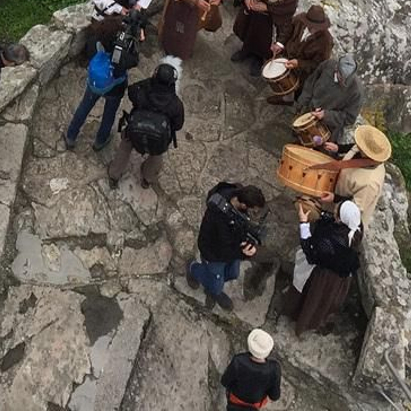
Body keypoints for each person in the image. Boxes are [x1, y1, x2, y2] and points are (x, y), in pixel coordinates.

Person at [187, 181, 266, 310]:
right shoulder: (219, 217)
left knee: (233, 273)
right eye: (253, 211)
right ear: (243, 205)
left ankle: (213, 282)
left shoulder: (235, 195)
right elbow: (224, 250)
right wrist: (244, 253)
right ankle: (194, 269)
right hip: (213, 252)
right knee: (216, 284)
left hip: (229, 246)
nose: (253, 215)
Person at [108, 62, 185, 188]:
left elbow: (131, 91)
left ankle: (114, 175)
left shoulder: (142, 93)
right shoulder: (175, 105)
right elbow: (178, 125)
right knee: (157, 156)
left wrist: (149, 82)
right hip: (157, 139)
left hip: (135, 132)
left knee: (124, 148)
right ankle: (147, 179)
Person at [292, 198, 362, 334]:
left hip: (325, 276)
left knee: (314, 298)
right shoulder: (356, 228)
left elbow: (310, 253)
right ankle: (316, 320)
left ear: (341, 219)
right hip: (341, 276)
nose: (334, 210)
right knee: (326, 301)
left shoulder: (331, 242)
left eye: (336, 211)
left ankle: (303, 322)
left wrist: (304, 224)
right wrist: (321, 212)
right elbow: (331, 221)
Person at [64, 44, 131, 152]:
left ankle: (71, 137)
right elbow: (133, 61)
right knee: (109, 114)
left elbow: (90, 54)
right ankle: (100, 141)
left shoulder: (97, 38)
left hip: (96, 82)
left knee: (84, 107)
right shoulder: (125, 45)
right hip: (115, 86)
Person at [320, 124, 391, 224]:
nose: (358, 145)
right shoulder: (364, 150)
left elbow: (355, 208)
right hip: (335, 193)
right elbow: (354, 148)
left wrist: (335, 198)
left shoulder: (370, 184)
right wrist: (338, 148)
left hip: (341, 218)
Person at [290, 55, 363, 152]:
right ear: (336, 68)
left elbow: (349, 118)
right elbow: (311, 82)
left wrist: (326, 115)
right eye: (341, 77)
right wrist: (301, 103)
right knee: (299, 137)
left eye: (346, 79)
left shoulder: (356, 91)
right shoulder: (328, 64)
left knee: (318, 151)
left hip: (328, 126)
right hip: (310, 110)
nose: (343, 82)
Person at [267, 4, 333, 105]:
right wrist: (280, 44)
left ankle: (291, 100)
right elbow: (287, 30)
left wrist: (299, 63)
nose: (313, 28)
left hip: (303, 71)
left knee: (297, 88)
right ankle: (286, 98)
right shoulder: (299, 20)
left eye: (316, 27)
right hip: (287, 57)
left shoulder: (326, 42)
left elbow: (318, 65)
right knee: (284, 82)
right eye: (310, 25)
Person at [220, 329, 282, 408]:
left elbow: (225, 381)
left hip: (234, 401)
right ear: (267, 351)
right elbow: (274, 396)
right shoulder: (274, 369)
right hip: (255, 405)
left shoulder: (238, 361)